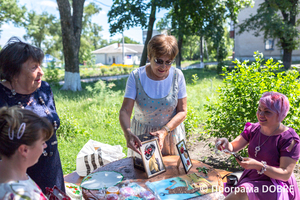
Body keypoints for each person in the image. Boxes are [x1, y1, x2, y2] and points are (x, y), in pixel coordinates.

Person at [0, 37, 65, 193]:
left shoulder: (44, 89)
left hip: (51, 170)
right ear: (14, 72)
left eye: (40, 66)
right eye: (34, 67)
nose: (41, 72)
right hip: (17, 182)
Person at [215, 92, 300, 200]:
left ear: (280, 114)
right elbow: (232, 147)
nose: (260, 114)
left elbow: (285, 174)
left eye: (267, 112)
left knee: (243, 191)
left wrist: (259, 166)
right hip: (253, 178)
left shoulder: (289, 139)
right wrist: (225, 144)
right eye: (259, 109)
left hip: (276, 184)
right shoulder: (254, 129)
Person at [119, 34, 187, 157]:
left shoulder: (178, 76)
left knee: (174, 173)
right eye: (159, 61)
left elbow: (182, 111)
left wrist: (164, 131)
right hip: (143, 138)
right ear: (149, 57)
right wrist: (128, 134)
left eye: (168, 62)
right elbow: (125, 110)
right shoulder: (136, 76)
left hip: (171, 134)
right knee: (142, 174)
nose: (164, 67)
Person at [0, 106, 53, 199]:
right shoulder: (19, 195)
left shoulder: (14, 173)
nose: (45, 146)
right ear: (24, 150)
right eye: (43, 143)